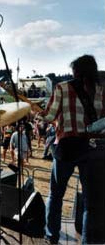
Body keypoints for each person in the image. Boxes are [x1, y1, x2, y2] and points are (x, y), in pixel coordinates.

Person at [39, 55, 105, 244]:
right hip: (93, 148)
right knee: (90, 201)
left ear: (76, 71)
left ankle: (51, 236)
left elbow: (49, 115)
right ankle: (87, 241)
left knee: (55, 194)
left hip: (67, 147)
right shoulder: (101, 90)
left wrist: (37, 112)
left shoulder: (62, 87)